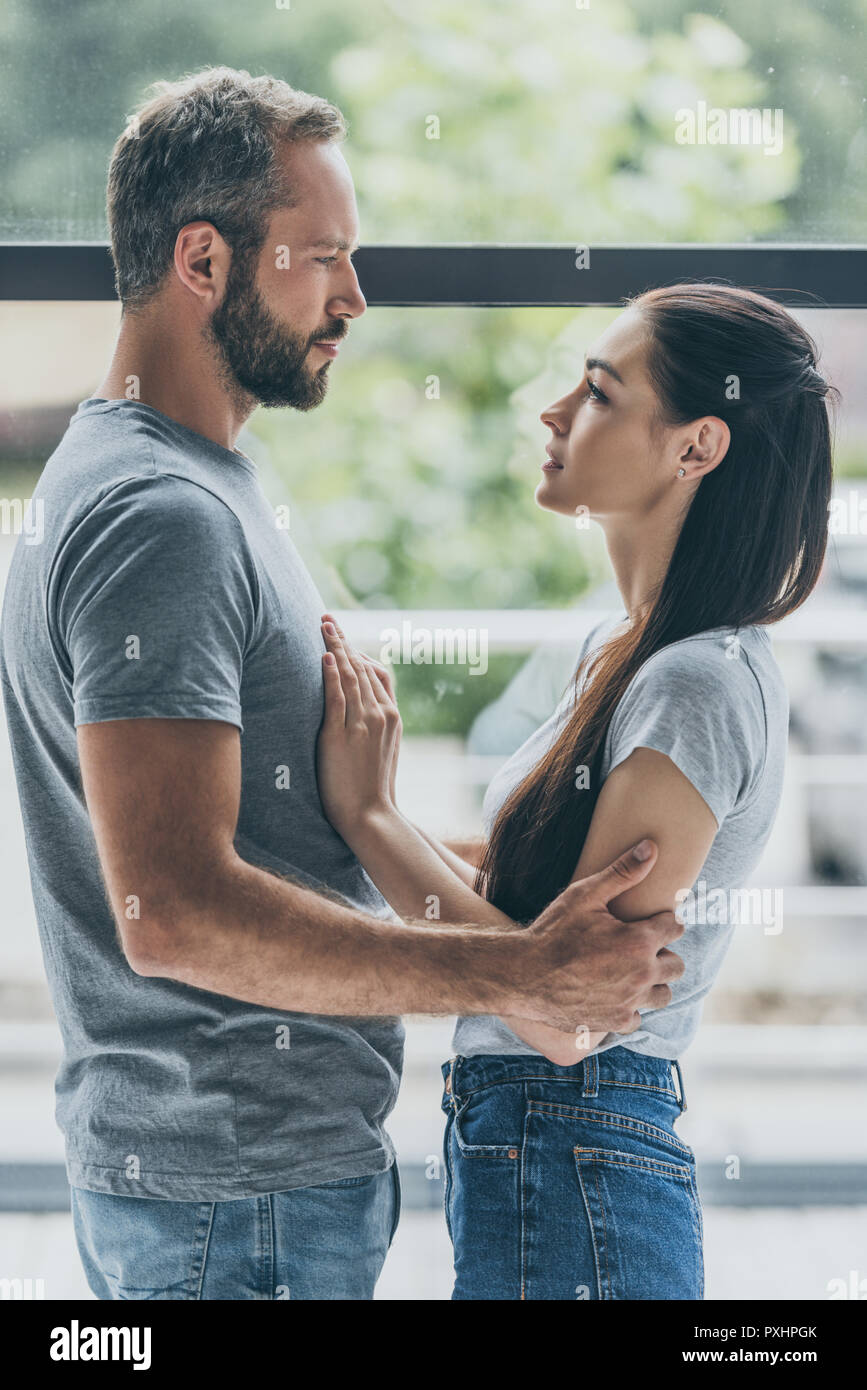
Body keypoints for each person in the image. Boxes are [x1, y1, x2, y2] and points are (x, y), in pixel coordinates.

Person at [0, 67, 683, 1301]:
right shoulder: (162, 515)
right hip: (232, 1206)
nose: (355, 297)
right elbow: (177, 910)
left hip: (249, 1193)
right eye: (321, 258)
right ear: (201, 261)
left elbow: (278, 831)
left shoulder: (203, 479)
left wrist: (503, 871)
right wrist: (520, 973)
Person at [314, 282, 835, 1299]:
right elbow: (526, 913)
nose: (550, 413)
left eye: (598, 392)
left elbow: (566, 1012)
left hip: (578, 1143)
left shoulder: (697, 680)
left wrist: (369, 814)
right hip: (545, 1144)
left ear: (697, 448)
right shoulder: (621, 649)